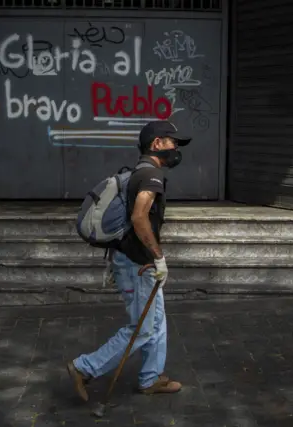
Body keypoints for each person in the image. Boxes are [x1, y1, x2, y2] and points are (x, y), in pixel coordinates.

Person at [66, 120, 191, 400]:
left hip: (135, 260)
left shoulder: (141, 172)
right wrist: (158, 258)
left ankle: (150, 378)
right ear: (157, 144)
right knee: (143, 329)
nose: (176, 148)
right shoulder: (150, 176)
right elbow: (138, 217)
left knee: (156, 320)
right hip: (138, 264)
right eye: (173, 142)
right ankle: (84, 367)